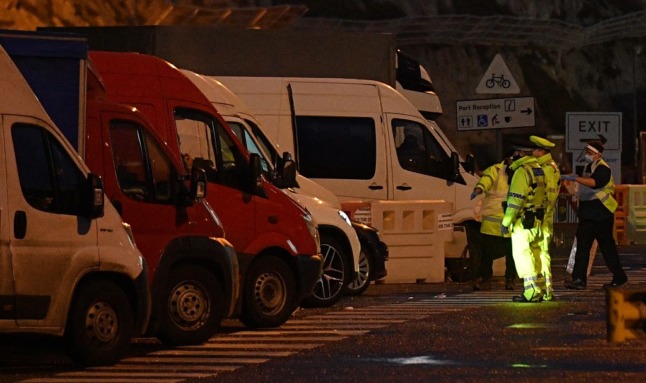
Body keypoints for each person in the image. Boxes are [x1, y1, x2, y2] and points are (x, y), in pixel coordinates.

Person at [562, 140, 628, 290]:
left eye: (590, 153)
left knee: (607, 247)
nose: (587, 155)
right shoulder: (589, 166)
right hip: (589, 213)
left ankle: (620, 277)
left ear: (598, 155)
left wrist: (574, 178)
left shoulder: (603, 168)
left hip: (601, 213)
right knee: (582, 246)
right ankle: (578, 279)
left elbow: (594, 183)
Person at [501, 141, 547, 303]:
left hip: (523, 221)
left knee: (523, 256)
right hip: (537, 218)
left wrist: (506, 222)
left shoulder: (521, 171)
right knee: (535, 254)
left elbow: (515, 200)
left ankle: (530, 291)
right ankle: (540, 289)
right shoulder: (538, 169)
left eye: (515, 153)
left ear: (520, 153)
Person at [470, 151, 517, 291]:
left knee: (511, 253)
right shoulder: (495, 170)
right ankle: (487, 279)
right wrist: (479, 189)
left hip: (510, 219)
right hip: (493, 219)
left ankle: (509, 280)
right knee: (488, 253)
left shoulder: (521, 171)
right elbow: (486, 180)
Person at [530, 135, 560, 301]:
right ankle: (544, 288)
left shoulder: (546, 168)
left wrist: (541, 215)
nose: (532, 152)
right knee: (541, 253)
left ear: (540, 151)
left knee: (541, 253)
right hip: (545, 218)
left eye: (534, 149)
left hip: (543, 218)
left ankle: (546, 289)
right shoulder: (549, 166)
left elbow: (549, 195)